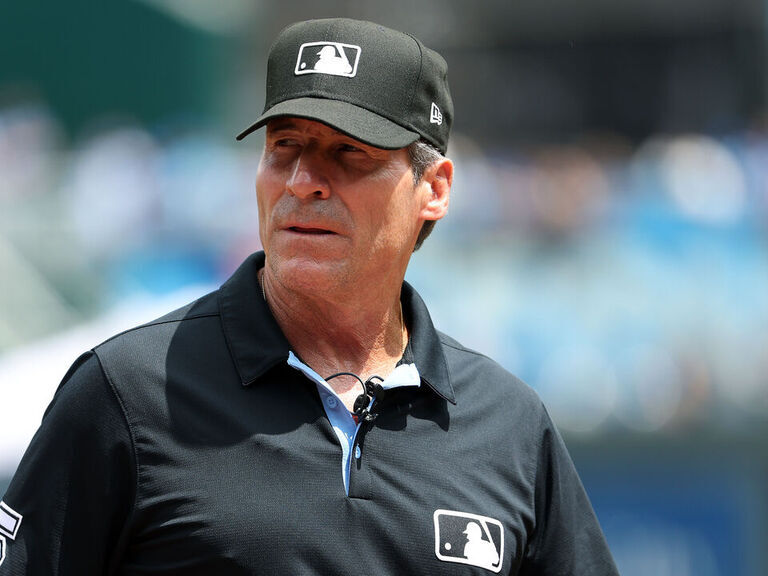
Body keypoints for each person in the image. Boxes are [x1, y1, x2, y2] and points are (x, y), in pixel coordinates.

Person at [0, 17, 619, 575]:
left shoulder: (509, 424)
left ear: (433, 188)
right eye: (284, 146)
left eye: (348, 152)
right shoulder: (127, 390)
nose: (302, 181)